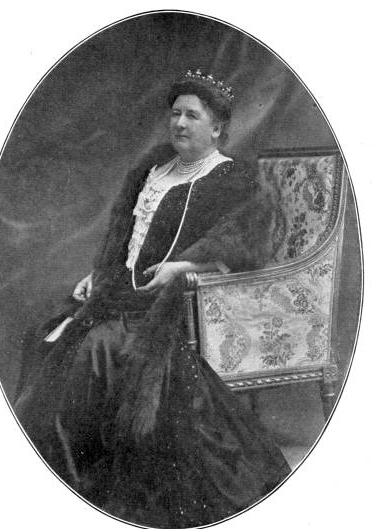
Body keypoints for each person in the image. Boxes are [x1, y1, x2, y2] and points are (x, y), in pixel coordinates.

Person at [15, 69, 290, 528]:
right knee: (45, 331)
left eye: (192, 116)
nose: (179, 123)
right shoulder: (152, 170)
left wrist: (182, 268)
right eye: (176, 114)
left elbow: (244, 251)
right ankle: (54, 474)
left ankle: (75, 479)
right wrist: (98, 274)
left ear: (217, 128)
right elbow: (129, 246)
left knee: (95, 349)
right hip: (122, 293)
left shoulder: (231, 179)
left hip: (172, 305)